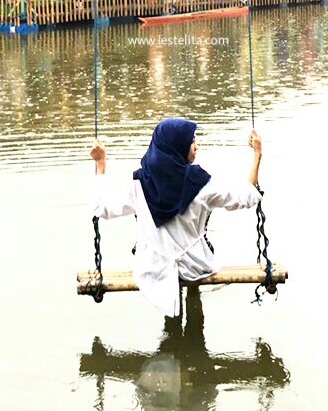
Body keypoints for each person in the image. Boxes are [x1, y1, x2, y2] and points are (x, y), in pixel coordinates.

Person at [90, 119, 263, 317]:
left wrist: (100, 163)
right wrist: (257, 155)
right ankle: (194, 315)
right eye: (192, 141)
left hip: (153, 269)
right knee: (195, 294)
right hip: (195, 266)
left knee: (166, 298)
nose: (196, 146)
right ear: (178, 146)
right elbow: (248, 196)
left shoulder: (138, 184)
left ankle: (171, 322)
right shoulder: (202, 185)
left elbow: (101, 207)